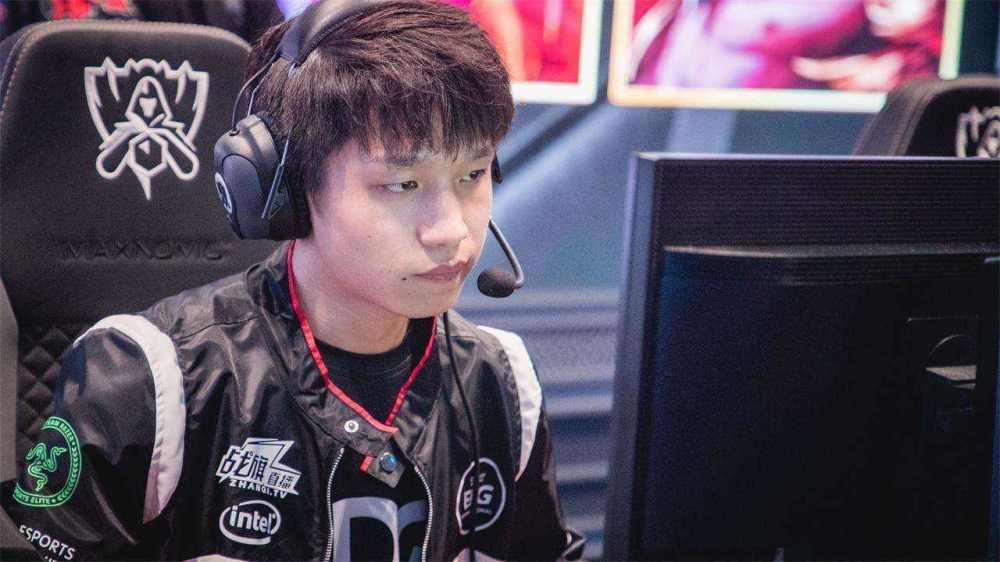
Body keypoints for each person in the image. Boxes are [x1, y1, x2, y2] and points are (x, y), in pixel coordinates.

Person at [0, 1, 585, 560]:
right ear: (286, 189)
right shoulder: (147, 377)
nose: (451, 230)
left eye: (473, 175)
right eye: (402, 185)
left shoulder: (501, 382)